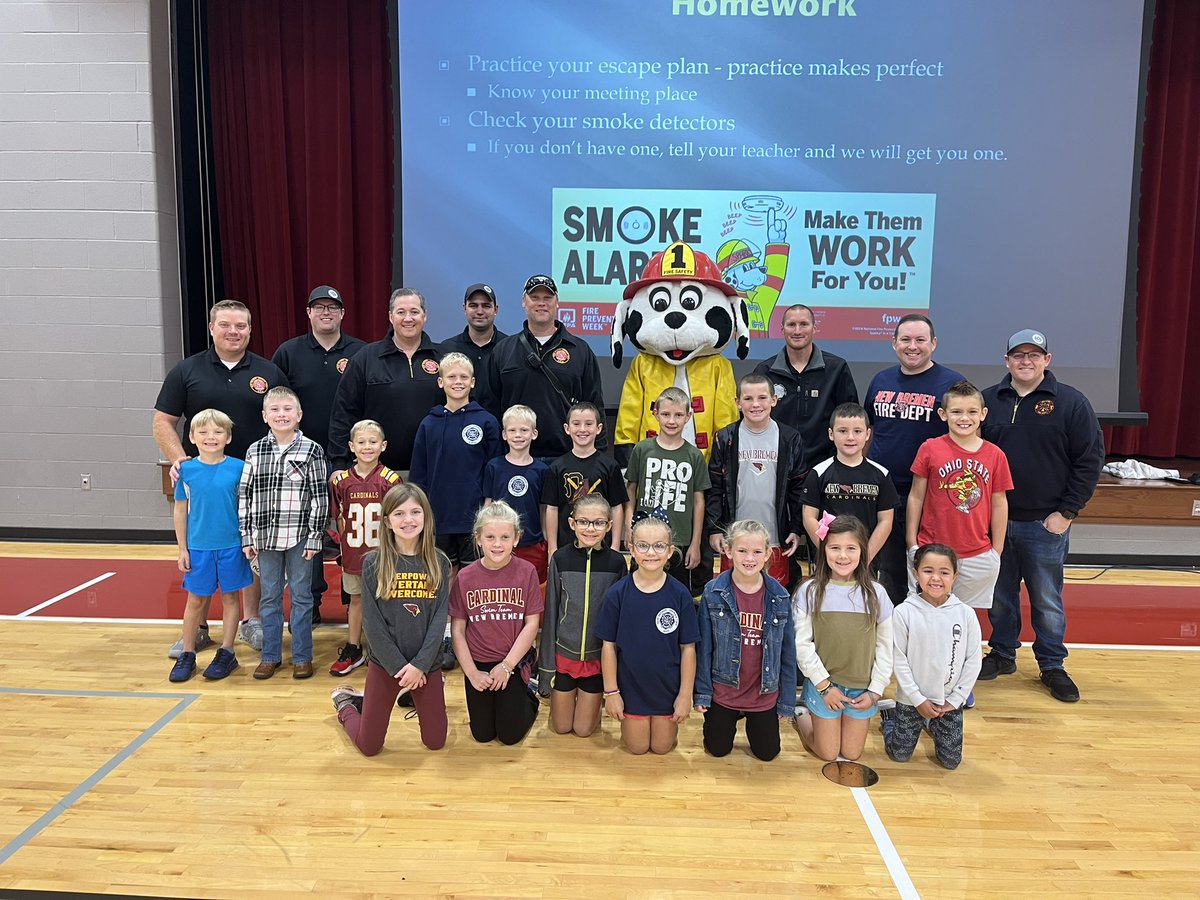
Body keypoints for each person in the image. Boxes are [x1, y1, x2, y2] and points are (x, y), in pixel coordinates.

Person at [153, 299, 286, 655]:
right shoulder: (187, 370)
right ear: (212, 328)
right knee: (200, 547)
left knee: (249, 547)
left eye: (240, 326)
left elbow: (283, 417)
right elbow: (162, 420)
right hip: (204, 482)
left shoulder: (268, 372)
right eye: (225, 325)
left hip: (251, 479)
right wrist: (181, 461)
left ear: (250, 330)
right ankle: (196, 628)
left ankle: (251, 621)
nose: (233, 332)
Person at [980, 329, 1104, 703]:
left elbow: (1089, 460)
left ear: (1047, 360)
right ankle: (1002, 654)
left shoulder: (1071, 403)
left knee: (1047, 599)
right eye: (1018, 355)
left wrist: (1066, 512)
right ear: (1007, 361)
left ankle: (1052, 665)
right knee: (1000, 596)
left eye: (1034, 355)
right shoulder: (987, 402)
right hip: (995, 522)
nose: (1026, 361)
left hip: (1045, 524)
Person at [331, 484, 451, 754]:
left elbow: (439, 620)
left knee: (435, 742)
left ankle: (424, 695)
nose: (408, 520)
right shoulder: (373, 562)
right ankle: (347, 705)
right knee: (369, 747)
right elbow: (372, 625)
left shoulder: (439, 562)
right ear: (386, 521)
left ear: (426, 517)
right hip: (387, 665)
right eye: (399, 514)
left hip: (425, 666)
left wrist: (420, 666)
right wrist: (400, 667)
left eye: (415, 512)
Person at [272, 284, 366, 626]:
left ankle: (352, 599)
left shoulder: (360, 352)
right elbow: (277, 403)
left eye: (332, 307)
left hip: (351, 458)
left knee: (351, 531)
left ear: (342, 313)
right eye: (319, 307)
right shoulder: (288, 352)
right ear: (309, 313)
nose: (326, 312)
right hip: (301, 459)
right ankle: (308, 601)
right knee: (307, 531)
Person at [864, 314, 965, 607]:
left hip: (930, 495)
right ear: (894, 343)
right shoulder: (880, 380)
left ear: (933, 344)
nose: (913, 346)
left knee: (930, 569)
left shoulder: (952, 384)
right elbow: (871, 431)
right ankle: (892, 633)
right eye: (905, 339)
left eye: (920, 340)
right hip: (883, 493)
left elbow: (965, 435)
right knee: (889, 569)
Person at [238, 387, 328, 680]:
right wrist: (247, 536)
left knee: (302, 598)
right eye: (274, 410)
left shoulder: (312, 450)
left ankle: (302, 656)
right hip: (265, 537)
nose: (281, 415)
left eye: (288, 409)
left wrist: (316, 536)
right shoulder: (255, 450)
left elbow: (320, 497)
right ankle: (271, 655)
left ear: (299, 415)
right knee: (270, 598)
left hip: (300, 536)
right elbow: (246, 495)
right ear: (265, 416)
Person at [594, 512, 700, 755]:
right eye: (643, 546)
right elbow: (608, 645)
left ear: (670, 551)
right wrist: (611, 692)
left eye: (658, 546)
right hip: (631, 688)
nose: (651, 553)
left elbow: (688, 648)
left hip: (667, 689)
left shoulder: (680, 594)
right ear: (631, 548)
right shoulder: (618, 594)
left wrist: (685, 695)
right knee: (637, 747)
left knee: (662, 748)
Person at [791, 516, 893, 762]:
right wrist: (824, 687)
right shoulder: (810, 591)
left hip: (863, 690)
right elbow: (801, 646)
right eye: (835, 548)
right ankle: (801, 715)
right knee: (827, 753)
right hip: (824, 687)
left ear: (862, 551)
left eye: (851, 548)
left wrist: (875, 691)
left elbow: (887, 648)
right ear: (823, 549)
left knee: (851, 753)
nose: (843, 556)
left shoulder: (877, 594)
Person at [694, 519, 796, 761]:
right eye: (742, 551)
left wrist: (786, 702)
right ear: (728, 551)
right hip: (725, 691)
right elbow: (704, 649)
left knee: (768, 753)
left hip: (763, 694)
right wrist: (703, 693)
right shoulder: (713, 592)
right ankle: (725, 718)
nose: (749, 558)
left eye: (757, 552)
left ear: (768, 554)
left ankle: (758, 717)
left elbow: (788, 653)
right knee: (718, 750)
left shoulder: (780, 596)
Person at [907, 381, 1012, 616]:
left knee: (965, 617)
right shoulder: (930, 449)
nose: (964, 418)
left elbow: (999, 503)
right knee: (926, 614)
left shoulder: (995, 455)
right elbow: (916, 496)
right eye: (956, 412)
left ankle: (962, 655)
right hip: (931, 549)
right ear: (943, 415)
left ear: (983, 414)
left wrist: (997, 550)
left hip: (977, 552)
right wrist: (912, 543)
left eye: (972, 411)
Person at [479, 275, 606, 461]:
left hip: (568, 459)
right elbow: (490, 408)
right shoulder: (503, 351)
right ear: (524, 301)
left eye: (547, 298)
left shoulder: (580, 351)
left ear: (557, 302)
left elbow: (594, 405)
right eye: (534, 298)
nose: (541, 303)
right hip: (516, 460)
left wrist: (599, 455)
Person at [168, 409, 253, 682]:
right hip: (199, 548)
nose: (210, 437)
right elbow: (180, 511)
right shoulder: (186, 471)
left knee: (230, 599)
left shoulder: (240, 468)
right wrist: (183, 548)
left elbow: (248, 506)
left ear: (228, 437)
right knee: (195, 600)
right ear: (192, 437)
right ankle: (188, 653)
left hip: (231, 546)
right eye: (203, 432)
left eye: (218, 432)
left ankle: (227, 652)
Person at [449, 502, 544, 745]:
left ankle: (529, 695)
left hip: (512, 659)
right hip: (478, 662)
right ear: (478, 538)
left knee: (509, 736)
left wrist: (507, 666)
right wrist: (471, 672)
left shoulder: (526, 571)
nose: (497, 544)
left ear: (516, 538)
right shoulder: (465, 576)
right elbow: (458, 630)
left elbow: (532, 624)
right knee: (482, 734)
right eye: (490, 537)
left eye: (505, 537)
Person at [880, 544, 981, 770]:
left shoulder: (965, 614)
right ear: (916, 574)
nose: (936, 578)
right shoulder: (904, 612)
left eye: (944, 572)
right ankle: (890, 718)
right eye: (928, 571)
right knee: (900, 755)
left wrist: (955, 700)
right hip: (911, 700)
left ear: (955, 575)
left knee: (950, 762)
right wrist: (917, 699)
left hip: (948, 702)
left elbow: (973, 661)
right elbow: (899, 659)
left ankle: (931, 723)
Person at [705, 372, 806, 587]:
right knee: (733, 598)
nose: (755, 404)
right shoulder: (725, 437)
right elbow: (714, 487)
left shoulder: (789, 438)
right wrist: (715, 528)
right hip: (735, 540)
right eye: (748, 399)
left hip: (776, 539)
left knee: (773, 602)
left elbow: (798, 489)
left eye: (762, 398)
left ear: (774, 400)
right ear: (738, 402)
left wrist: (796, 529)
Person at [538, 495, 627, 737]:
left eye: (598, 523)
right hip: (564, 656)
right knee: (562, 727)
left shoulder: (617, 563)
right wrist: (546, 670)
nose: (590, 528)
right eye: (584, 522)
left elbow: (620, 621)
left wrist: (616, 679)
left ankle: (591, 703)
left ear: (609, 526)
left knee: (583, 730)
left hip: (598, 660)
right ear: (571, 523)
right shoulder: (560, 559)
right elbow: (551, 613)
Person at [328, 288, 443, 473]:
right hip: (376, 474)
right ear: (390, 316)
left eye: (414, 312)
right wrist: (339, 464)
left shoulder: (443, 358)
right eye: (401, 312)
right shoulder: (366, 358)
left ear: (425, 315)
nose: (408, 318)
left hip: (435, 472)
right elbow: (344, 413)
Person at [408, 352, 501, 574]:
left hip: (475, 514)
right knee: (444, 573)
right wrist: (420, 509)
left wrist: (488, 507)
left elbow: (495, 468)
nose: (457, 382)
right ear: (441, 382)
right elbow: (419, 474)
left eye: (463, 377)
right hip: (439, 516)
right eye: (451, 377)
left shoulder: (487, 421)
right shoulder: (429, 424)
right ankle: (446, 611)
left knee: (474, 573)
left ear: (473, 382)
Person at [327, 419, 402, 676]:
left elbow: (398, 520)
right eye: (361, 442)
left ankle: (384, 650)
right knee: (356, 601)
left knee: (385, 601)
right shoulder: (341, 481)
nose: (367, 447)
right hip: (354, 554)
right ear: (351, 446)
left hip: (383, 556)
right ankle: (353, 647)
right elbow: (339, 516)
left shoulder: (391, 480)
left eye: (373, 442)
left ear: (383, 446)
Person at [624, 387, 711, 595]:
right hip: (645, 539)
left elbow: (699, 502)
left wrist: (696, 543)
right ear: (655, 414)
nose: (672, 421)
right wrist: (629, 527)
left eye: (678, 415)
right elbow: (631, 490)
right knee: (639, 592)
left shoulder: (694, 455)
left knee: (676, 596)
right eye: (666, 414)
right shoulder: (642, 450)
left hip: (680, 542)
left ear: (689, 416)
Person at [753, 304, 858, 470]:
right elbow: (751, 421)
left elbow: (851, 420)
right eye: (791, 325)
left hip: (825, 467)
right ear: (782, 329)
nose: (797, 331)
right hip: (775, 466)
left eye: (803, 324)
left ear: (814, 328)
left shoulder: (836, 369)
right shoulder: (765, 372)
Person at [800, 402, 897, 564]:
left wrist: (865, 557)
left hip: (867, 563)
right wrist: (829, 553)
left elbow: (886, 521)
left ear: (867, 434)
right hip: (828, 563)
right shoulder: (818, 472)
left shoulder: (881, 474)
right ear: (831, 434)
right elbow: (808, 517)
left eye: (857, 431)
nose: (850, 437)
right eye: (843, 431)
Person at [542, 401, 627, 557]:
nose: (582, 429)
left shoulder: (610, 466)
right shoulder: (556, 467)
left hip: (602, 547)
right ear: (567, 429)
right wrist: (552, 549)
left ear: (599, 428)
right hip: (566, 547)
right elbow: (552, 509)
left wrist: (615, 545)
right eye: (576, 424)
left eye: (588, 424)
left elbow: (616, 507)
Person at [483, 404, 550, 582]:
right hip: (500, 544)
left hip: (532, 543)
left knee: (534, 590)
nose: (518, 435)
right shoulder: (494, 467)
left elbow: (544, 509)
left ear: (534, 434)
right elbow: (488, 505)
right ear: (504, 434)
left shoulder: (542, 470)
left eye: (524, 430)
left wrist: (545, 541)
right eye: (512, 430)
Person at [439, 283, 506, 403]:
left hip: (500, 421)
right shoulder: (447, 349)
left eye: (486, 306)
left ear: (496, 309)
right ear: (464, 308)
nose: (480, 311)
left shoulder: (509, 348)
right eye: (473, 305)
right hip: (459, 421)